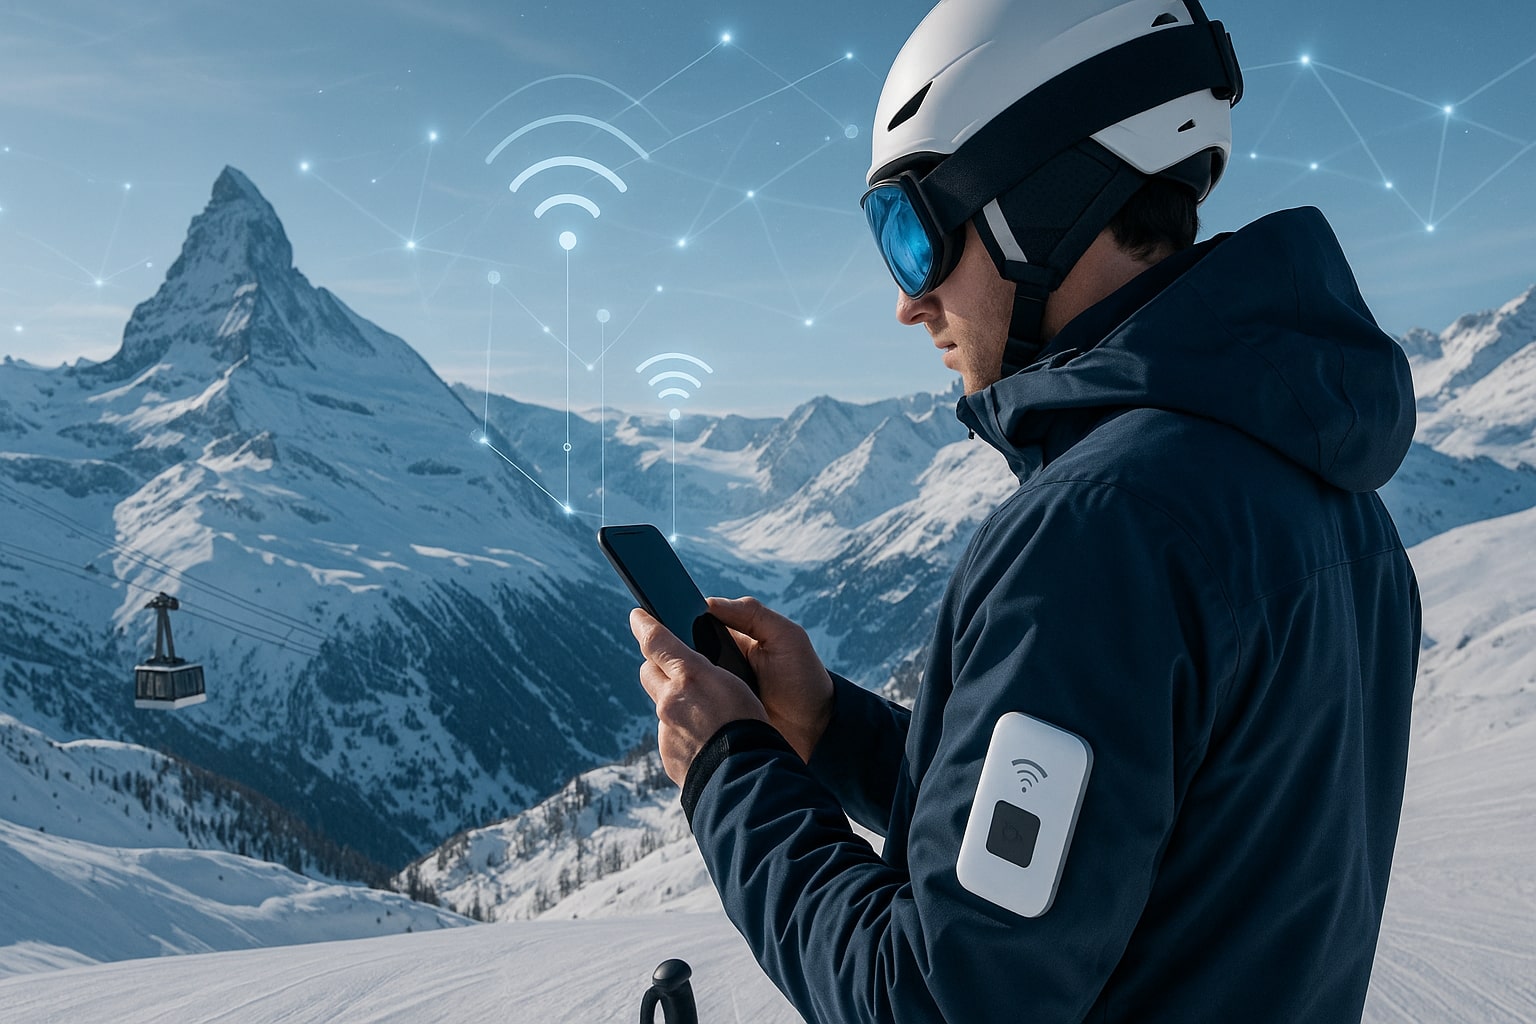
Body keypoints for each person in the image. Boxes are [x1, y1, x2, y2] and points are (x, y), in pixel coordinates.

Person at [628, 1, 1421, 1020]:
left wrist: (728, 771)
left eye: (910, 232)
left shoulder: (1103, 528)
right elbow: (1109, 820)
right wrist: (829, 727)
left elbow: (939, 996)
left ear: (1040, 196)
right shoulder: (1334, 500)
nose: (908, 303)